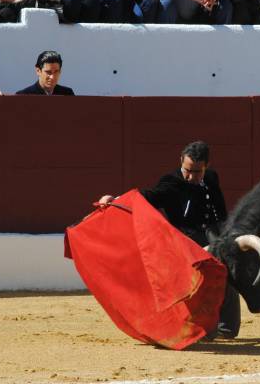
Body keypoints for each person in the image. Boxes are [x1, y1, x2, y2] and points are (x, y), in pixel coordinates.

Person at [97, 141, 239, 339]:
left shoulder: (212, 177)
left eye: (197, 172)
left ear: (207, 166)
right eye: (187, 170)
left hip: (212, 234)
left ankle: (227, 327)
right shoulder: (172, 182)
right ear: (181, 160)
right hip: (184, 239)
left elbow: (219, 211)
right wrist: (116, 199)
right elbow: (147, 196)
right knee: (199, 283)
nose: (190, 176)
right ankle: (203, 328)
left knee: (227, 272)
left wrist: (225, 235)